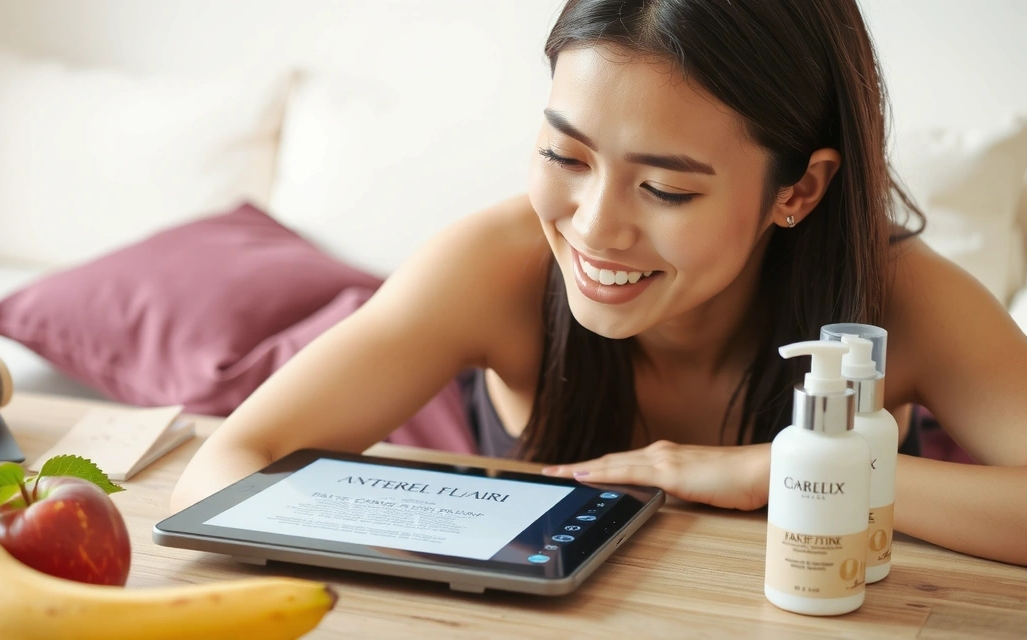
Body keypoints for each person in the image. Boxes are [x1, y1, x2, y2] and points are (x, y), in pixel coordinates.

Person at [170, 0, 1027, 566]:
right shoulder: (493, 264)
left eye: (665, 188)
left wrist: (778, 472)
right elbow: (222, 468)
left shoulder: (902, 301)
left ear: (798, 189)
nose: (592, 226)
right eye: (562, 155)